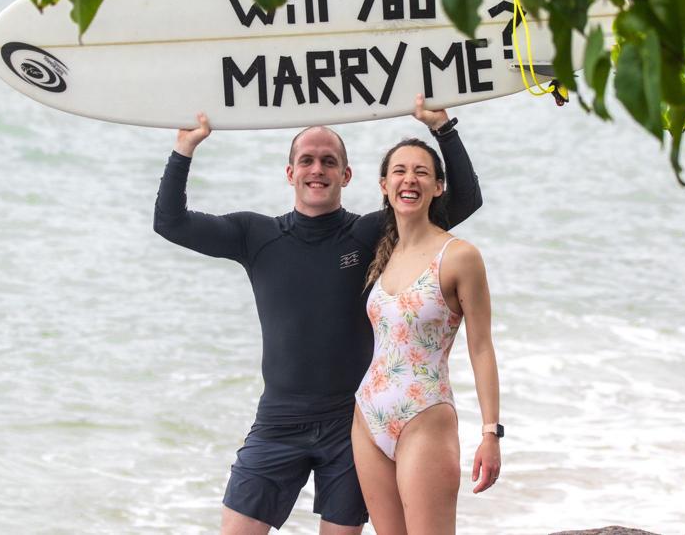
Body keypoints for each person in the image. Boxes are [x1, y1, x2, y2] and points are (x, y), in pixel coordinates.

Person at [152, 96, 482, 534]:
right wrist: (184, 149)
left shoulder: (370, 233)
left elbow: (464, 201)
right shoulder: (257, 235)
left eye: (329, 162)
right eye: (306, 160)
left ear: (346, 175)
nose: (317, 169)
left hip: (350, 426)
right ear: (290, 173)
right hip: (277, 422)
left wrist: (444, 129)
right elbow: (170, 222)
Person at [352, 137, 501, 535]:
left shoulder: (459, 256)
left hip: (425, 418)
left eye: (422, 172)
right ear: (384, 184)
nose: (409, 179)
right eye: (400, 171)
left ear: (438, 187)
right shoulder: (384, 253)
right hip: (367, 416)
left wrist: (491, 432)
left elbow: (482, 347)